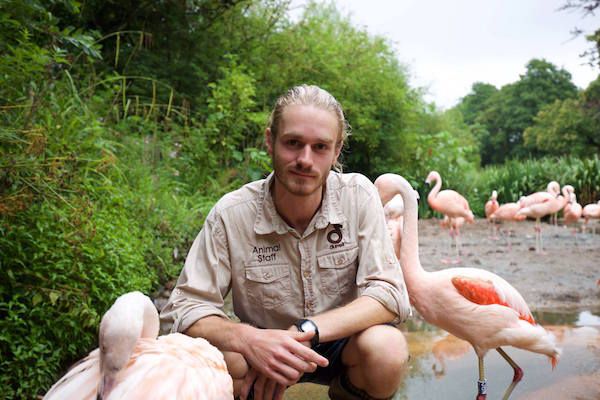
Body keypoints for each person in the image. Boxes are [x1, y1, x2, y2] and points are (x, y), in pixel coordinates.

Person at [160, 84, 411, 400]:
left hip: (341, 344)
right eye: (293, 143)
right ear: (270, 142)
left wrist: (306, 331)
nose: (305, 160)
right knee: (219, 358)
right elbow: (183, 308)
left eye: (320, 147)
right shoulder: (232, 213)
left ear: (336, 151)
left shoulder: (358, 196)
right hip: (263, 354)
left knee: (387, 349)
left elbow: (389, 294)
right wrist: (248, 339)